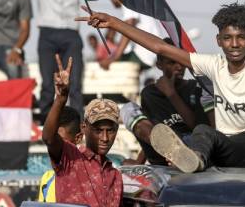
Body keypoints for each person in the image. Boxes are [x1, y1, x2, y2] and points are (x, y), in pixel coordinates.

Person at [77, 0, 245, 173]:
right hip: (231, 147)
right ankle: (195, 159)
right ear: (218, 41)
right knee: (203, 129)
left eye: (240, 38)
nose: (234, 44)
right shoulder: (213, 64)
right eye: (228, 38)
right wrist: (114, 23)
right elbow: (158, 46)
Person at [42, 54, 122, 207]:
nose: (105, 138)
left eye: (110, 130)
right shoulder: (70, 158)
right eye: (98, 130)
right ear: (84, 129)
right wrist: (61, 99)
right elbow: (49, 138)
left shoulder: (115, 176)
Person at [121, 38, 214, 165]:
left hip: (194, 149)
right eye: (171, 62)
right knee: (128, 108)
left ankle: (180, 156)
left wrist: (172, 94)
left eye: (181, 61)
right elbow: (151, 133)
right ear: (159, 65)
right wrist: (139, 161)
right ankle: (174, 152)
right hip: (164, 154)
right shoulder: (150, 93)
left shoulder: (196, 88)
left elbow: (198, 128)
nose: (179, 67)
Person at [38, 106, 83, 203]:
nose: (55, 147)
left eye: (60, 142)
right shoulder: (47, 178)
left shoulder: (90, 177)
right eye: (52, 143)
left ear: (78, 138)